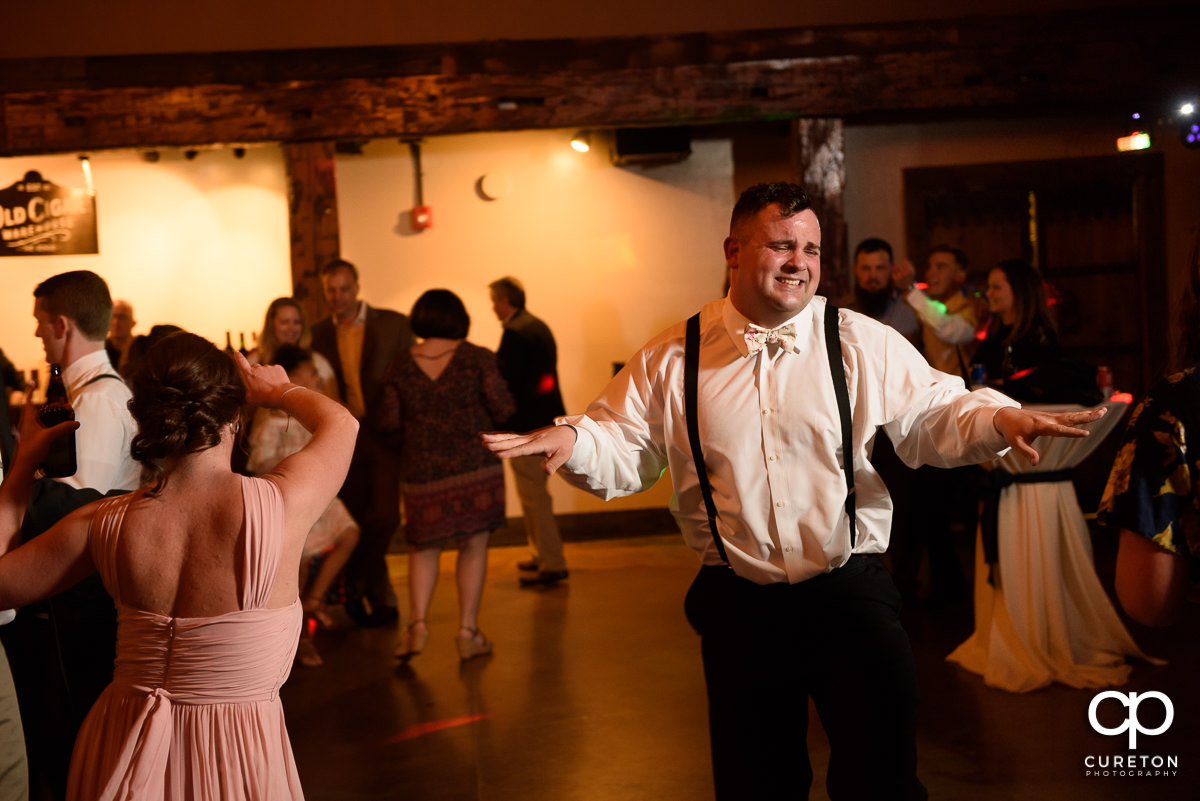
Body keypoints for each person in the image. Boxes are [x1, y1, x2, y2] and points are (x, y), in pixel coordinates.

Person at [483, 183, 1103, 800]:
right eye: (781, 245)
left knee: (881, 780)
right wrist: (574, 443)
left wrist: (997, 418)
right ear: (733, 251)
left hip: (850, 594)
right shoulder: (673, 356)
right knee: (758, 786)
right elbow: (625, 447)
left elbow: (934, 412)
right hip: (739, 606)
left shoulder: (858, 339)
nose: (799, 263)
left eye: (810, 249)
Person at [0, 331, 357, 799]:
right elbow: (342, 424)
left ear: (139, 418)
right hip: (237, 755)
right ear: (236, 414)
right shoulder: (282, 505)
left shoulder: (101, 523)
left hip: (120, 745)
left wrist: (24, 462)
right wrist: (278, 390)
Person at [378, 290, 514, 662]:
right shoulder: (478, 359)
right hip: (475, 468)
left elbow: (388, 421)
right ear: (459, 318)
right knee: (473, 546)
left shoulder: (400, 366)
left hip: (423, 471)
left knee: (423, 548)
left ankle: (417, 627)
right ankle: (468, 631)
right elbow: (503, 407)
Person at [310, 259, 414, 627]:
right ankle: (377, 592)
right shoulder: (317, 334)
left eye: (344, 289)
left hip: (384, 433)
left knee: (386, 515)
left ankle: (357, 582)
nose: (338, 297)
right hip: (342, 436)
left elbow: (409, 378)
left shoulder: (393, 325)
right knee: (357, 515)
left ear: (357, 287)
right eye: (331, 291)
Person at [246, 345, 360, 668]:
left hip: (318, 495)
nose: (316, 376)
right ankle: (299, 637)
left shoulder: (308, 414)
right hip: (292, 499)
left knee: (350, 534)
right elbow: (261, 464)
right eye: (310, 371)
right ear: (292, 375)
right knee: (299, 567)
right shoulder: (271, 422)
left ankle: (313, 601)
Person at [489, 277, 569, 587]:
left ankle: (551, 561)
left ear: (506, 301)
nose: (492, 306)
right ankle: (542, 555)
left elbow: (509, 384)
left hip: (524, 426)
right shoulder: (536, 325)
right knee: (535, 494)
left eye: (495, 300)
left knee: (533, 495)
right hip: (543, 420)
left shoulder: (516, 333)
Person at [32, 271, 139, 494]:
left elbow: (75, 503)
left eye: (39, 321)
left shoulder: (95, 400)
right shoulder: (93, 392)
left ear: (62, 326)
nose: (37, 333)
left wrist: (26, 456)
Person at [894, 245, 982, 379]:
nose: (931, 274)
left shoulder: (973, 306)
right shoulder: (926, 306)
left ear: (960, 276)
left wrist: (910, 289)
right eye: (929, 267)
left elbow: (948, 329)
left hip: (965, 394)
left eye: (941, 267)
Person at [973, 259, 1060, 388]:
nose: (988, 293)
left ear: (1019, 291)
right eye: (989, 287)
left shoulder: (1039, 336)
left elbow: (1044, 382)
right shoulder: (994, 334)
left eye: (996, 287)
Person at [252, 297, 338, 399]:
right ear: (271, 325)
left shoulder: (319, 363)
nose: (291, 328)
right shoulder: (253, 363)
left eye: (297, 322)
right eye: (285, 322)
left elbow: (334, 403)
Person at [843, 237, 920, 347]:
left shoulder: (911, 308)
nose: (872, 276)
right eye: (866, 268)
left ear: (892, 268)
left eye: (880, 268)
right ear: (855, 270)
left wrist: (910, 286)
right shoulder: (840, 309)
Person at [104, 299, 135, 373]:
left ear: (133, 323)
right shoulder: (100, 350)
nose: (116, 322)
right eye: (113, 316)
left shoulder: (142, 349)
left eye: (122, 317)